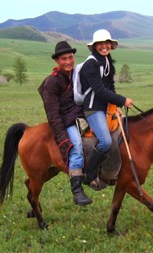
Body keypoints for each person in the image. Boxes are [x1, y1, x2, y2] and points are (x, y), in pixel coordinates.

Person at [38, 41, 92, 206]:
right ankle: (77, 191)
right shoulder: (51, 83)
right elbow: (53, 115)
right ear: (57, 61)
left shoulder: (76, 75)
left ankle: (94, 176)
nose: (68, 61)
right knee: (76, 147)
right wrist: (62, 138)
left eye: (70, 57)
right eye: (64, 59)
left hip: (81, 117)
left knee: (99, 139)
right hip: (66, 121)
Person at [80, 29, 133, 190]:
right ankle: (89, 173)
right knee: (106, 142)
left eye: (106, 43)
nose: (104, 47)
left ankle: (113, 171)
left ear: (110, 44)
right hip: (93, 108)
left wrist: (115, 106)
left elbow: (110, 86)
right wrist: (123, 100)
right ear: (95, 46)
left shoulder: (106, 60)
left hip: (105, 107)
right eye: (100, 44)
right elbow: (100, 91)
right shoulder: (90, 64)